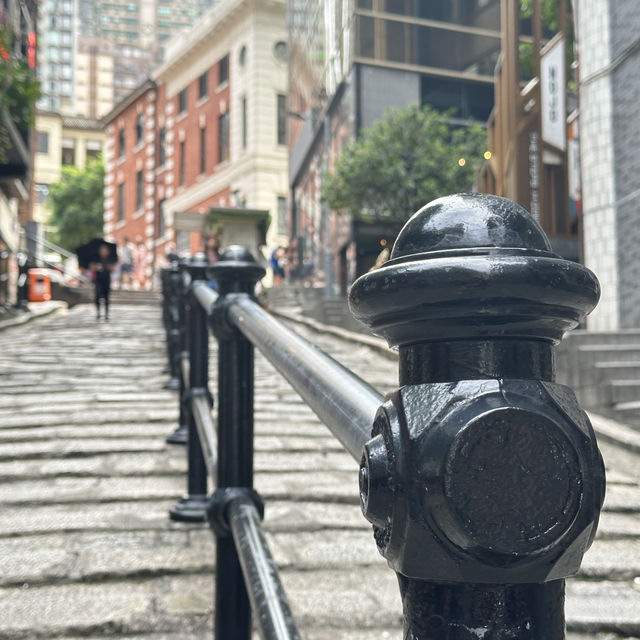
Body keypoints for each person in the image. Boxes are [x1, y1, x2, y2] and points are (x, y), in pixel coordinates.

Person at [91, 244, 115, 320]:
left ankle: (106, 314)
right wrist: (96, 267)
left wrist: (108, 267)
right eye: (102, 251)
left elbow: (113, 269)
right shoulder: (96, 259)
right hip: (98, 281)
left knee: (107, 298)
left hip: (106, 281)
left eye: (105, 251)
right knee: (97, 297)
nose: (103, 252)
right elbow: (91, 268)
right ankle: (98, 313)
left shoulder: (110, 259)